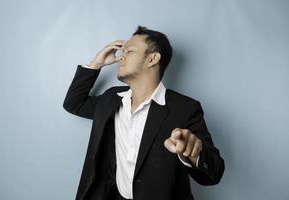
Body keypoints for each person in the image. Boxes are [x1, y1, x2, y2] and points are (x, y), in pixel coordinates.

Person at [63, 26, 224, 200]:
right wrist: (96, 64)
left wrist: (194, 153)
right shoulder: (111, 99)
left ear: (152, 59)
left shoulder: (185, 108)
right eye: (122, 51)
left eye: (129, 51)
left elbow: (214, 174)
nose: (121, 56)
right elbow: (74, 104)